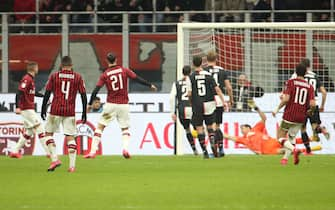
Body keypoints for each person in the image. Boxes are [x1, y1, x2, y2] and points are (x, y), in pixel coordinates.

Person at [84, 52, 157, 159]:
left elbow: (96, 89)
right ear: (116, 60)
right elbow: (137, 78)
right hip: (123, 105)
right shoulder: (124, 70)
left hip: (111, 105)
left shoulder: (105, 74)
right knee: (125, 129)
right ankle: (125, 149)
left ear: (107, 61)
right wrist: (149, 85)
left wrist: (90, 104)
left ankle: (92, 152)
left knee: (100, 127)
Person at [41, 56, 87, 172]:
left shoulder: (54, 76)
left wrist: (43, 108)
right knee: (70, 137)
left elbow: (47, 92)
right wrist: (84, 112)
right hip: (70, 111)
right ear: (71, 66)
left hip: (55, 110)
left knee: (48, 134)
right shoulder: (77, 77)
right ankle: (72, 166)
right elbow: (83, 95)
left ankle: (55, 159)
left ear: (61, 65)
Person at [223, 102, 321, 155]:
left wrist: (257, 109)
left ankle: (311, 139)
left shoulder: (255, 129)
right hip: (267, 149)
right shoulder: (243, 139)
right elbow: (230, 137)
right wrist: (218, 133)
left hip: (273, 141)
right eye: (240, 129)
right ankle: (308, 150)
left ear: (248, 128)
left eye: (242, 128)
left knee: (289, 140)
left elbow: (264, 118)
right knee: (286, 150)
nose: (241, 130)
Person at [272, 63, 316, 165]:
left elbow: (286, 99)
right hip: (301, 116)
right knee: (292, 137)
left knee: (280, 137)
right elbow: (313, 104)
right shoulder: (309, 87)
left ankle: (295, 150)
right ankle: (285, 159)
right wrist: (310, 111)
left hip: (289, 114)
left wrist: (277, 109)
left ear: (295, 72)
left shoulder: (291, 82)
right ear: (305, 73)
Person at [10, 62, 50, 158]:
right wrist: (17, 107)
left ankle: (14, 151)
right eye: (37, 67)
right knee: (40, 128)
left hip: (28, 109)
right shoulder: (27, 79)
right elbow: (19, 92)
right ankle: (49, 152)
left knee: (29, 132)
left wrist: (44, 96)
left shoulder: (30, 80)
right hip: (27, 109)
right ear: (34, 68)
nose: (38, 69)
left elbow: (33, 93)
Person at [188, 56, 225, 158]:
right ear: (201, 63)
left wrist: (191, 103)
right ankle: (212, 141)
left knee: (199, 128)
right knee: (210, 126)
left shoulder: (190, 77)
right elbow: (217, 89)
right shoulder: (208, 75)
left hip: (197, 104)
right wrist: (223, 101)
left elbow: (189, 93)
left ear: (193, 64)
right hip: (209, 103)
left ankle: (205, 151)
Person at [291, 58, 329, 153]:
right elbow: (324, 92)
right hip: (313, 104)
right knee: (314, 127)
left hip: (301, 105)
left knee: (303, 128)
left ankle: (308, 150)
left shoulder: (296, 75)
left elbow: (289, 88)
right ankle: (321, 129)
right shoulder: (315, 76)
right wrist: (322, 106)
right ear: (309, 66)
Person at [203, 50, 234, 156]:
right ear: (216, 59)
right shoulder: (222, 71)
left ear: (206, 60)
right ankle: (221, 149)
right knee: (218, 126)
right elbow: (229, 87)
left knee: (210, 127)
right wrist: (231, 99)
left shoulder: (203, 71)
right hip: (220, 99)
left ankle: (214, 150)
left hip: (208, 99)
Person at [170, 65, 198, 155]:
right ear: (190, 72)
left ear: (182, 73)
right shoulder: (193, 82)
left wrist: (172, 112)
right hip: (192, 107)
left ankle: (194, 150)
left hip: (182, 108)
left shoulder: (176, 83)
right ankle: (204, 148)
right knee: (199, 128)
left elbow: (171, 97)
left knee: (187, 130)